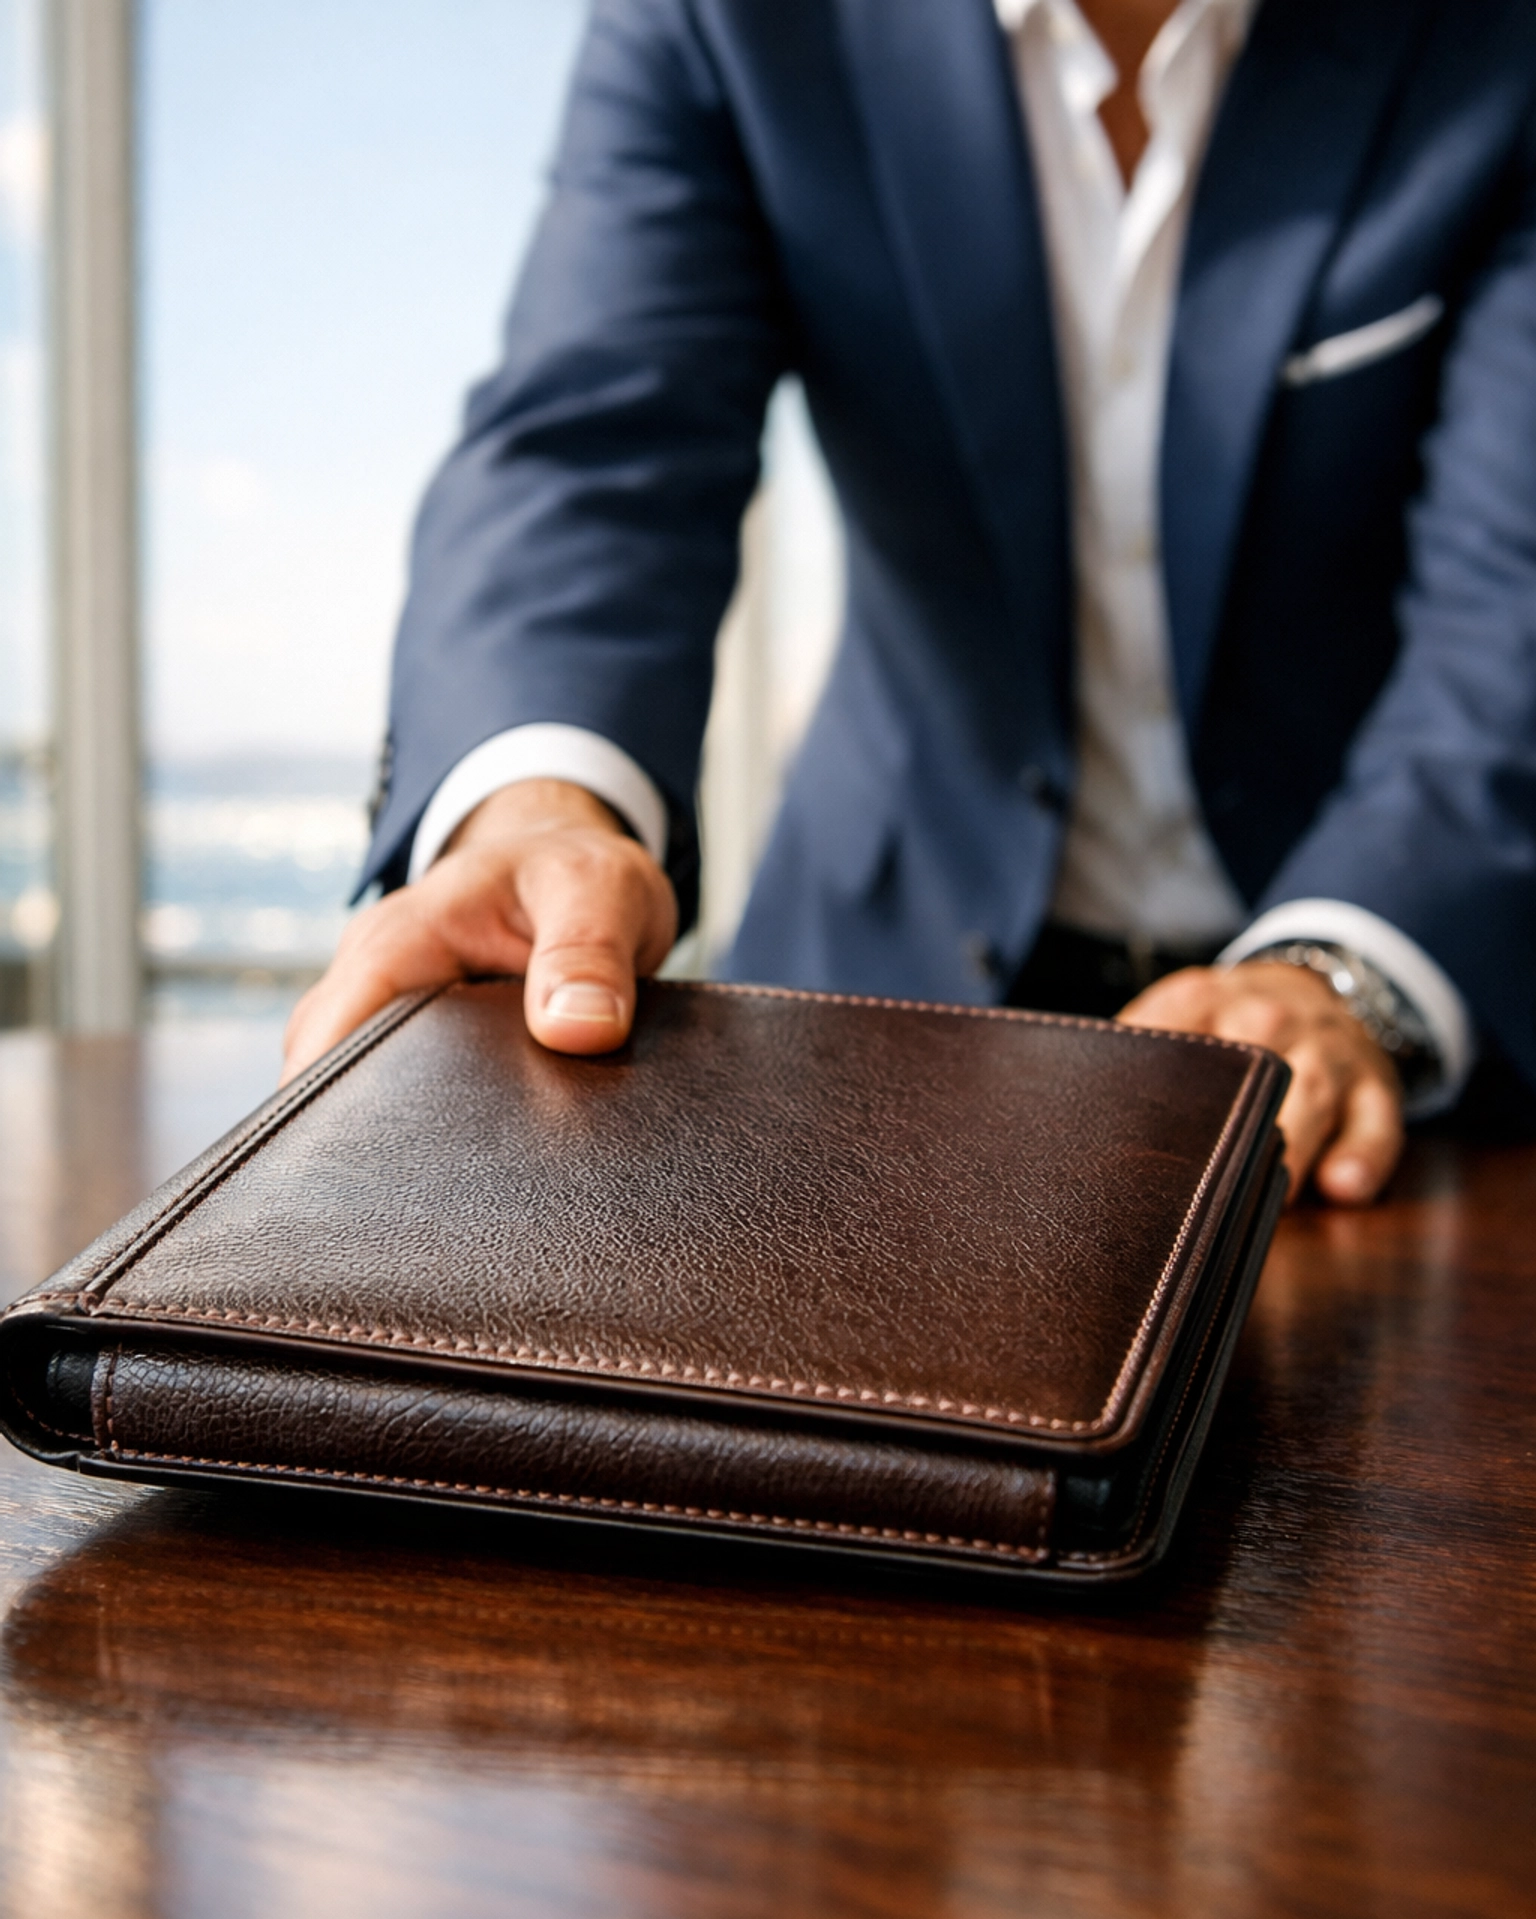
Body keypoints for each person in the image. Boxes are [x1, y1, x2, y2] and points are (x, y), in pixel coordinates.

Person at [282, 0, 1536, 1205]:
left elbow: (1513, 589)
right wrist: (533, 812)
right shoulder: (734, 18)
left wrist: (1347, 975)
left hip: (1401, 1016)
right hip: (871, 1008)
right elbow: (599, 443)